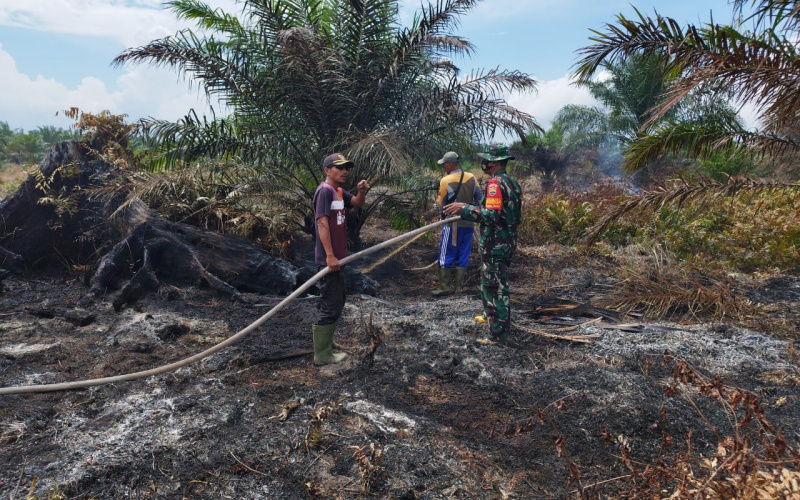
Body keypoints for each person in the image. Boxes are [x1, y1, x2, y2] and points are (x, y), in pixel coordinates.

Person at [443, 144, 521, 345]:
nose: (483, 162)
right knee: (490, 281)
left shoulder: (495, 184)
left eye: (486, 159)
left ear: (493, 162)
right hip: (506, 242)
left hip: (496, 244)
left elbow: (492, 216)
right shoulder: (512, 182)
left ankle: (498, 336)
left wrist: (465, 208)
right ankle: (490, 316)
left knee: (495, 287)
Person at [312, 153, 370, 365]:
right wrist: (329, 255)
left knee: (336, 299)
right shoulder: (324, 192)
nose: (345, 171)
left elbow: (356, 203)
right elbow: (322, 224)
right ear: (327, 170)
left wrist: (362, 192)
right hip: (329, 259)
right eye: (339, 167)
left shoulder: (337, 191)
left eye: (346, 168)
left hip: (337, 258)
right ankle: (322, 355)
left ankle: (326, 343)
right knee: (331, 303)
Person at [432, 151, 483, 296]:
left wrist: (444, 215)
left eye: (444, 165)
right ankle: (458, 288)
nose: (444, 167)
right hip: (468, 222)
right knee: (463, 253)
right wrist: (471, 211)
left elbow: (441, 204)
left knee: (446, 254)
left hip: (451, 224)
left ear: (449, 164)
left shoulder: (445, 180)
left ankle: (444, 287)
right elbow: (480, 197)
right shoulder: (472, 177)